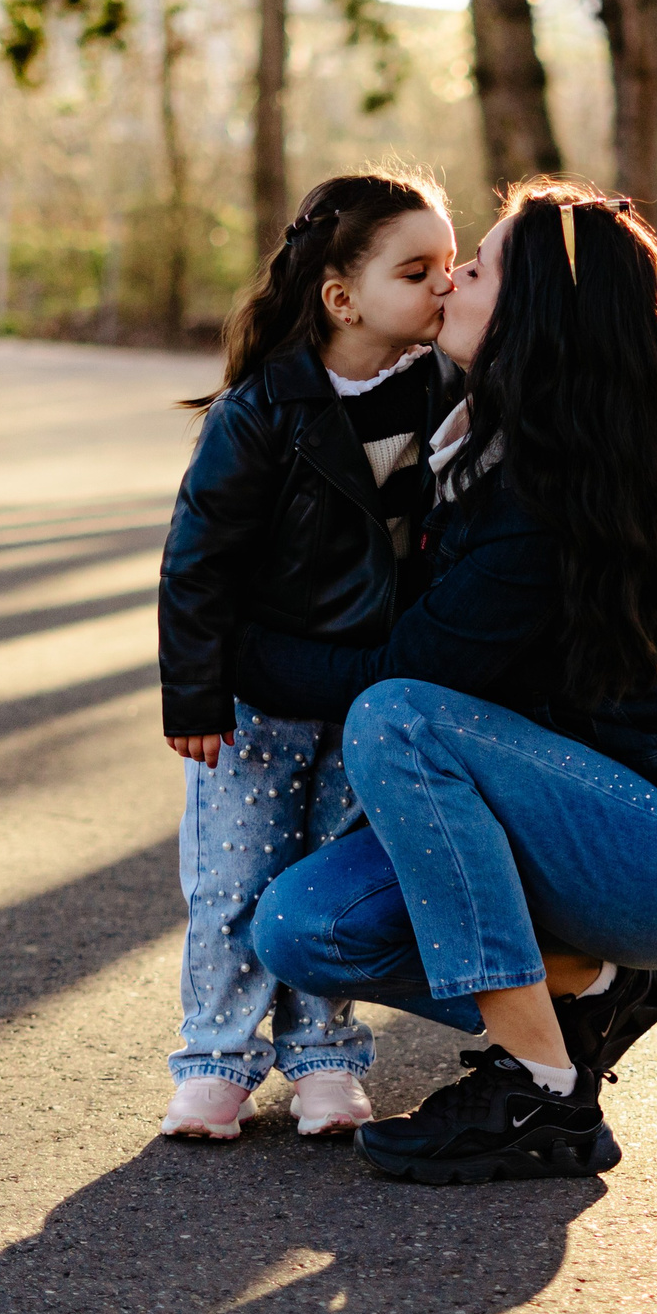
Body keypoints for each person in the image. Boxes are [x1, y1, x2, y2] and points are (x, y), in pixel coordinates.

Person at [235, 184, 657, 1184]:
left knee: (396, 717)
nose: (449, 283)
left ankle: (544, 1095)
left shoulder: (551, 497)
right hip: (562, 832)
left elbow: (404, 677)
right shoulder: (479, 438)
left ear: (533, 318)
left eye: (473, 269)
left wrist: (238, 657)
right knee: (303, 927)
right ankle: (596, 985)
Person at [155, 169, 458, 1140]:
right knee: (237, 878)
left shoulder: (443, 393)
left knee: (327, 876)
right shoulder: (266, 411)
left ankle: (324, 1059)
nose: (443, 287)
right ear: (341, 296)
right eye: (418, 270)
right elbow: (196, 561)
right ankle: (215, 1058)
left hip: (367, 698)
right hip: (255, 699)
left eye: (453, 268)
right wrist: (195, 695)